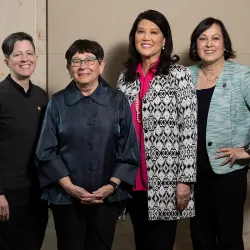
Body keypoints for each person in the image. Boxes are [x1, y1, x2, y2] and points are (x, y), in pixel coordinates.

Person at [36, 39, 140, 250]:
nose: (83, 66)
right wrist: (69, 187)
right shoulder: (57, 102)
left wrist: (111, 186)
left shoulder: (118, 100)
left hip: (106, 198)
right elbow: (46, 151)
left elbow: (128, 148)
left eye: (89, 60)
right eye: (76, 61)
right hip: (65, 198)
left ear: (101, 65)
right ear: (68, 68)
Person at [117, 10, 197, 250]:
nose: (146, 37)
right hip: (131, 179)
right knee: (140, 243)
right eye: (140, 31)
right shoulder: (125, 79)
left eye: (154, 32)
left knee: (160, 244)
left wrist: (185, 181)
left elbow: (189, 131)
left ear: (164, 40)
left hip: (165, 180)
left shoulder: (179, 75)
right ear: (133, 38)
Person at [188, 17, 250, 250]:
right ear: (195, 45)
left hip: (228, 173)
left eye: (216, 38)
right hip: (193, 174)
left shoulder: (242, 76)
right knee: (200, 237)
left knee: (229, 238)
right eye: (202, 38)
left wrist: (247, 151)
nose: (209, 43)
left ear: (225, 44)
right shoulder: (185, 76)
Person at [0, 32, 48, 250]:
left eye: (29, 53)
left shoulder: (41, 96)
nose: (25, 58)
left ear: (36, 58)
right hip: (7, 194)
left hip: (37, 192)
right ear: (7, 61)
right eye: (18, 54)